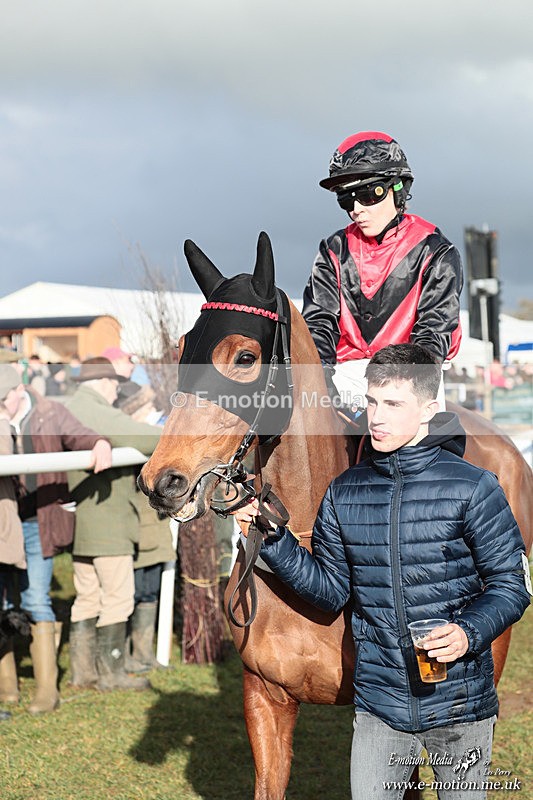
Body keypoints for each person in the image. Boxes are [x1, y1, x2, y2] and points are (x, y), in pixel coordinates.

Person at [234, 344, 530, 800]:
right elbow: (330, 590)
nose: (377, 417)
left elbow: (512, 585)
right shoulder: (343, 493)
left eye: (393, 404)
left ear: (430, 409)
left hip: (459, 702)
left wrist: (468, 632)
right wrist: (273, 538)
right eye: (372, 401)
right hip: (379, 710)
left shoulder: (474, 486)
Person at [303, 131, 463, 411]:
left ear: (397, 189)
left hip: (412, 377)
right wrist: (320, 385)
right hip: (345, 376)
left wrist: (398, 387)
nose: (356, 210)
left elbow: (433, 334)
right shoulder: (332, 249)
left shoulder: (437, 252)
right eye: (345, 200)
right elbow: (319, 324)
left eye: (367, 195)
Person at [0, 364, 112, 714]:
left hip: (38, 522)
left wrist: (100, 443)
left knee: (35, 598)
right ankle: (8, 690)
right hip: (4, 524)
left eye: (4, 399)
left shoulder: (51, 411)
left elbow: (80, 434)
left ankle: (47, 691)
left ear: (19, 391)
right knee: (2, 603)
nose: (2, 406)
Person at [64, 358, 163, 691]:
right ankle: (111, 674)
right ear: (103, 382)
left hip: (87, 522)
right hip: (107, 522)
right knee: (118, 596)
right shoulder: (88, 405)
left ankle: (82, 673)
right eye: (115, 384)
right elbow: (140, 437)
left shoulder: (74, 404)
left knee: (87, 596)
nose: (117, 391)